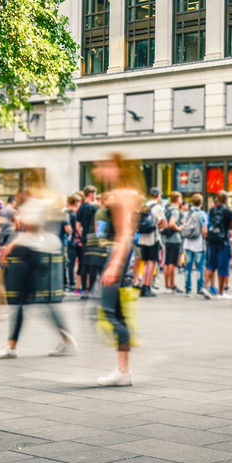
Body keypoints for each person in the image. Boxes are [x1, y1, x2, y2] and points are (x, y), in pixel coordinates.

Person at [0, 188, 77, 360]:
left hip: (32, 255)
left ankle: (12, 345)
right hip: (40, 255)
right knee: (36, 303)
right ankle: (64, 340)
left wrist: (11, 246)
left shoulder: (33, 206)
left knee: (22, 302)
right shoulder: (42, 205)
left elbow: (31, 230)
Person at [92, 154, 142, 386]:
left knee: (110, 312)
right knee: (114, 311)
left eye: (103, 165)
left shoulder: (122, 195)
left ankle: (124, 370)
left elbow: (125, 234)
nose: (98, 170)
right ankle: (123, 369)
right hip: (119, 256)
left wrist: (114, 265)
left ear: (116, 168)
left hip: (117, 256)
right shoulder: (125, 192)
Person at [135, 188, 166, 297]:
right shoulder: (158, 207)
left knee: (144, 262)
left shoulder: (145, 205)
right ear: (158, 195)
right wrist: (160, 227)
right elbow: (164, 224)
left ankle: (143, 286)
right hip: (153, 238)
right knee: (151, 262)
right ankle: (147, 286)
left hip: (143, 237)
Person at [205, 191, 232, 298]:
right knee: (223, 266)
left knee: (211, 264)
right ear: (226, 200)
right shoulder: (227, 212)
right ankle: (221, 292)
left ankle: (205, 286)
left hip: (212, 240)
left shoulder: (212, 210)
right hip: (223, 241)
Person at [181, 193, 208, 298]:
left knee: (188, 267)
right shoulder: (202, 214)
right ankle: (199, 288)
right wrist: (206, 238)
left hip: (187, 243)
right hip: (198, 244)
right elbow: (204, 230)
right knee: (200, 267)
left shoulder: (186, 213)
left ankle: (188, 289)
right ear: (201, 203)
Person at [161, 191, 183, 294]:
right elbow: (171, 224)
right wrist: (179, 229)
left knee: (166, 262)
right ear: (177, 199)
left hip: (167, 238)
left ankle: (166, 284)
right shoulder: (175, 211)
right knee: (172, 263)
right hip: (174, 238)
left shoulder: (168, 209)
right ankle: (172, 284)